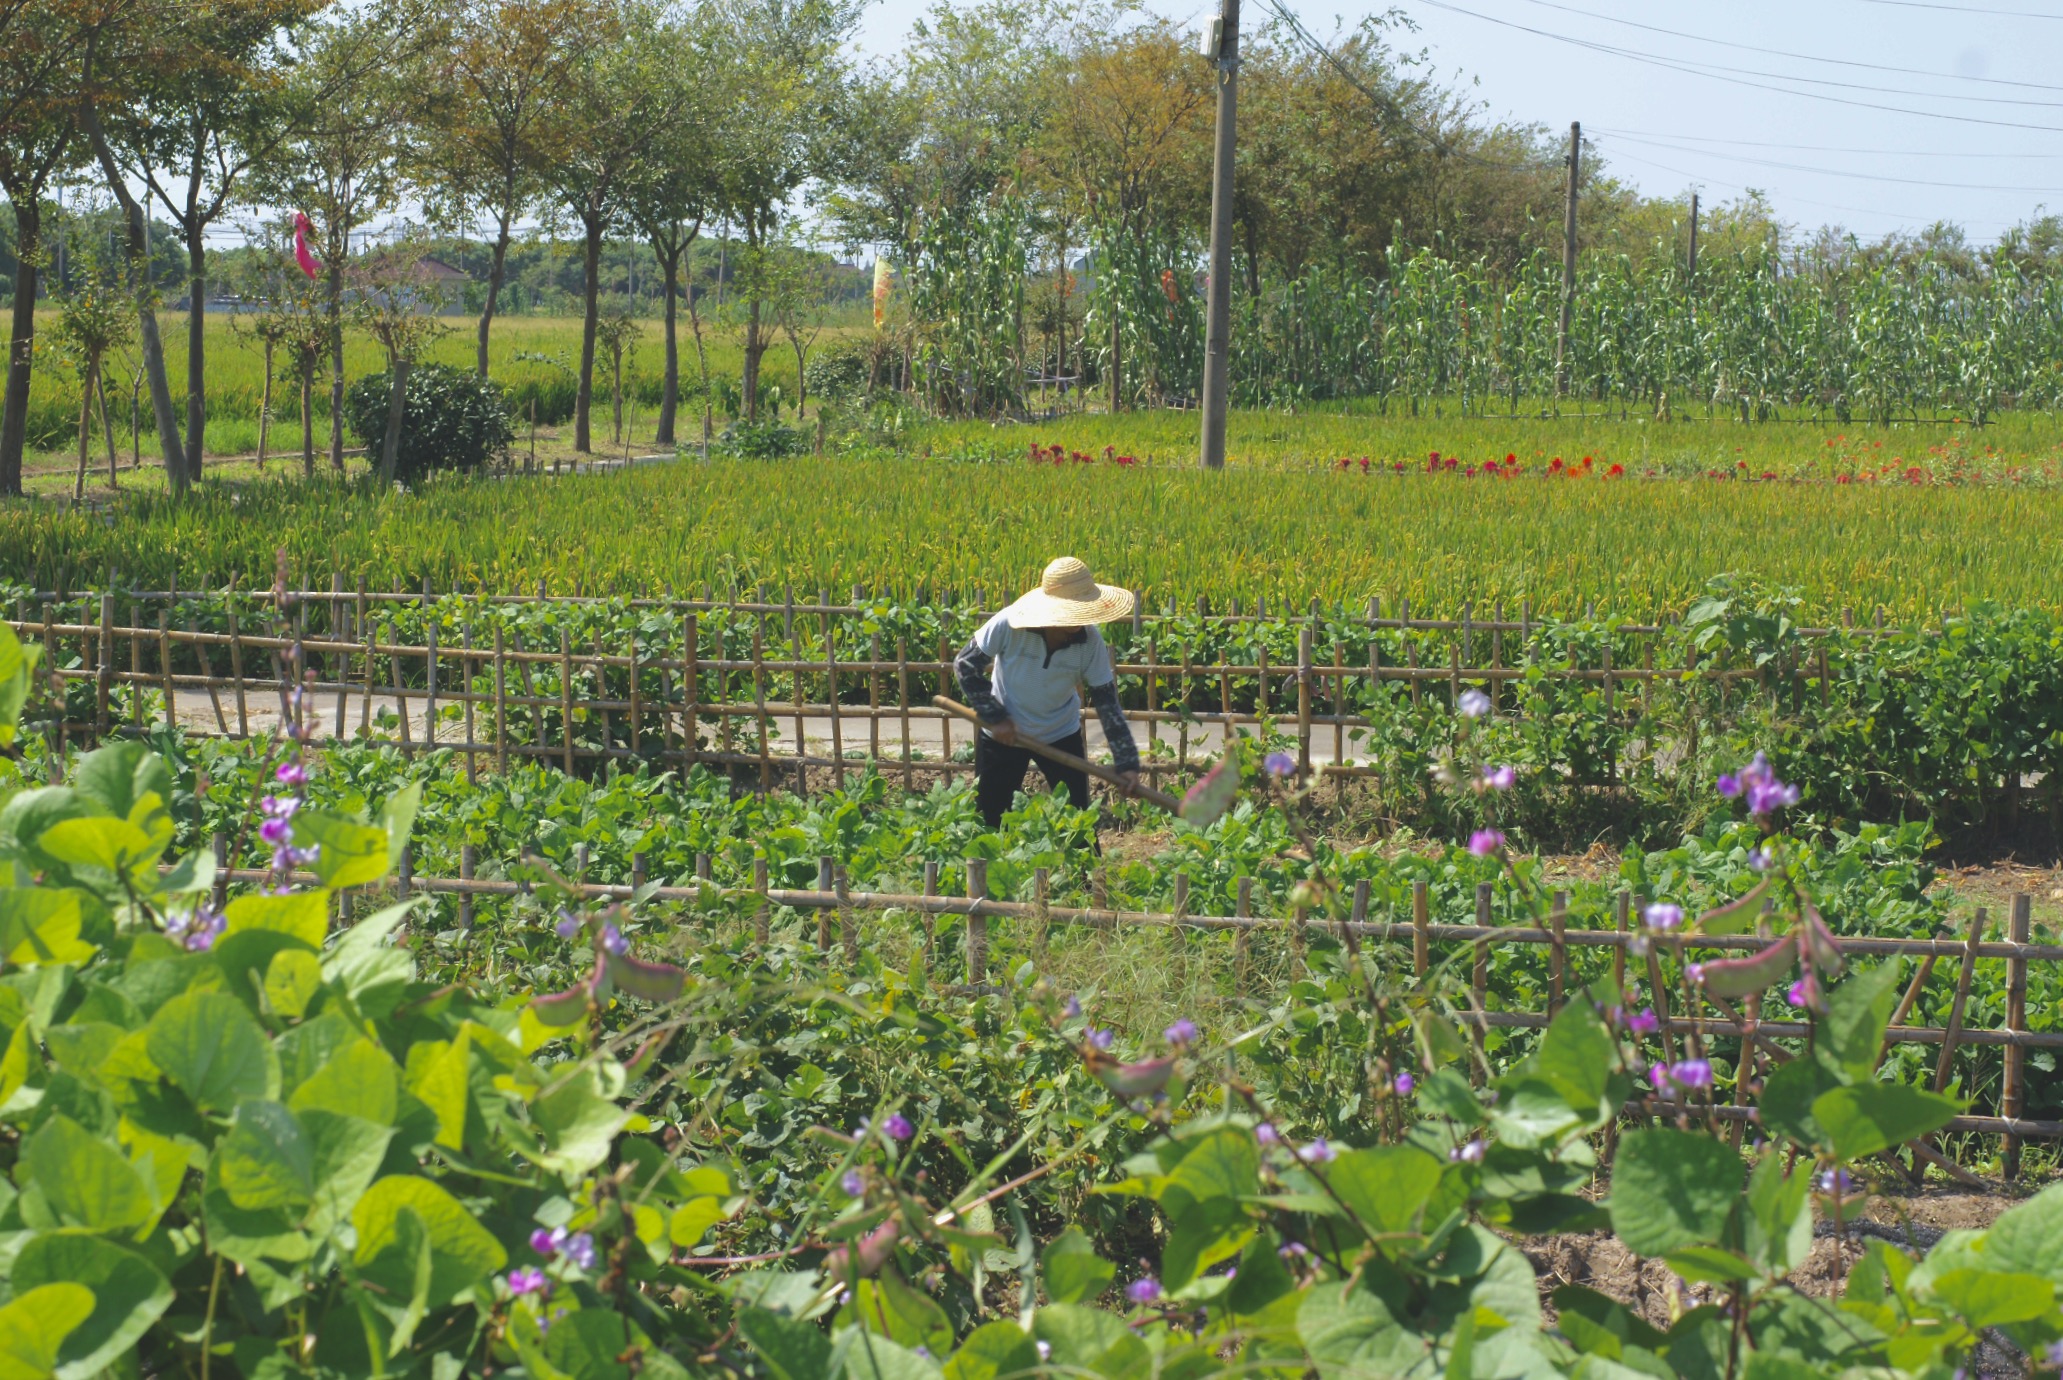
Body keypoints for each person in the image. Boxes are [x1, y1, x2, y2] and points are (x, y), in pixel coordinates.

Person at [954, 556, 1141, 827]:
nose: (1078, 620)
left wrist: (1127, 764)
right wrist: (995, 716)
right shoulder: (1010, 623)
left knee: (1078, 824)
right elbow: (965, 664)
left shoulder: (1090, 641)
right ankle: (988, 870)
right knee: (989, 821)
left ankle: (1080, 871)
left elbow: (1107, 703)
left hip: (1060, 733)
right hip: (1005, 735)